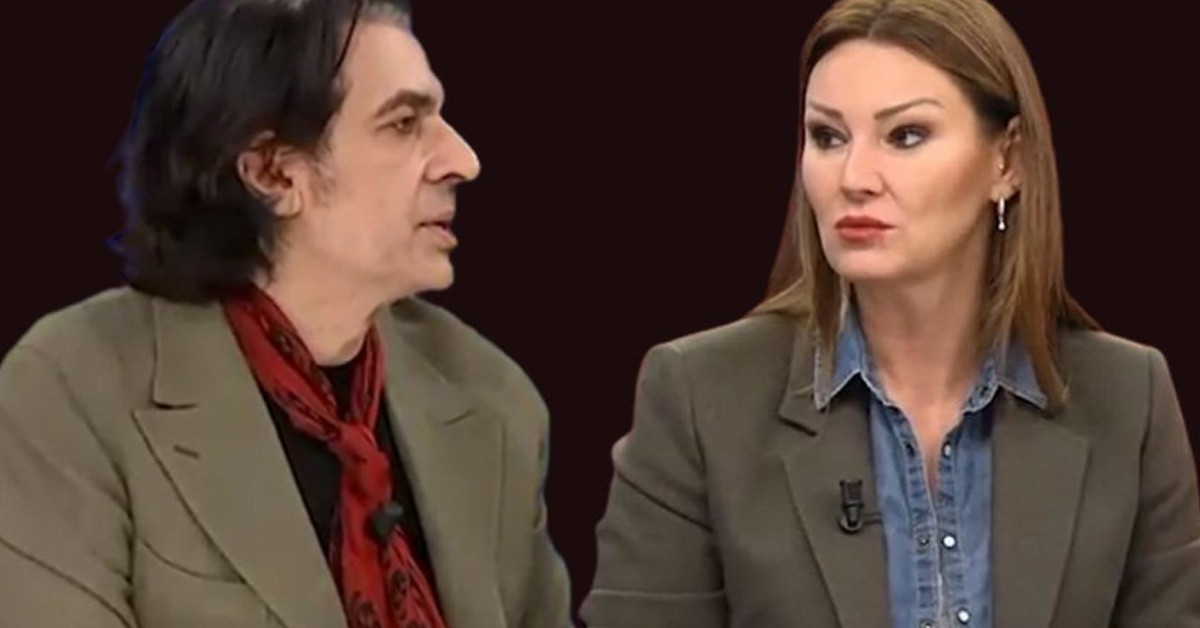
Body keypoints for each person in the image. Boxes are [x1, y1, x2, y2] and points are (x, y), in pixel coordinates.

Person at [581, 0, 1200, 626]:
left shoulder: (1129, 399)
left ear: (1007, 161)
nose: (855, 178)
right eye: (828, 137)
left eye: (905, 136)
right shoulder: (700, 397)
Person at [0, 1, 570, 627]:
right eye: (404, 124)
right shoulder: (72, 389)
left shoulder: (492, 398)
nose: (463, 159)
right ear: (273, 173)